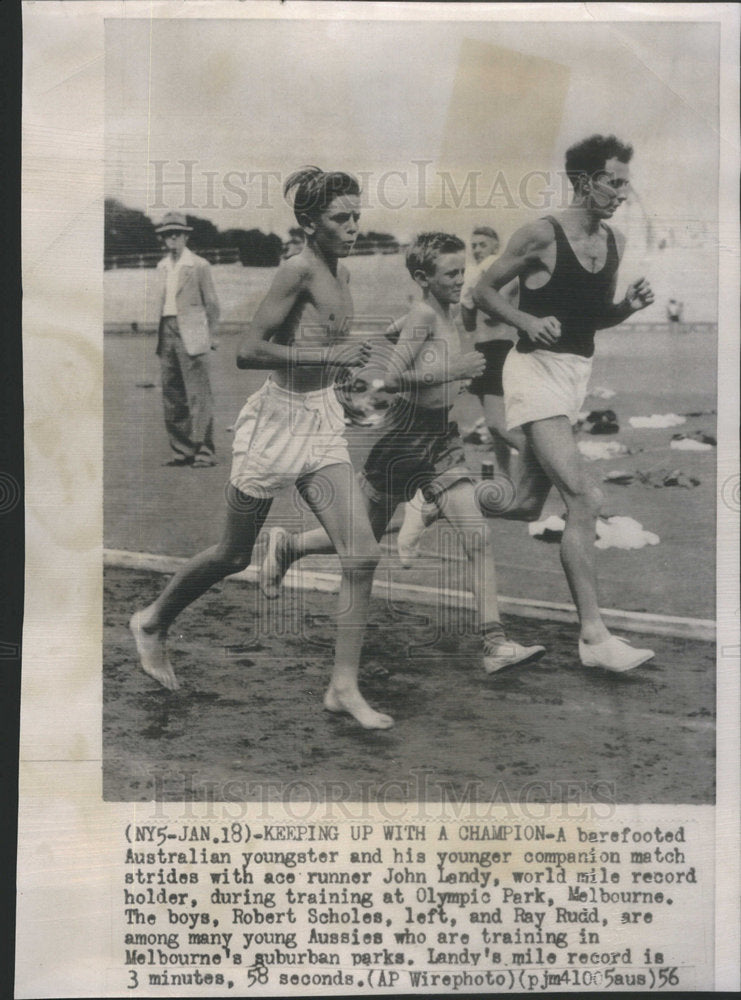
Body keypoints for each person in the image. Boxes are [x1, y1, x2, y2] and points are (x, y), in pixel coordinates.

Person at [132, 167, 394, 730]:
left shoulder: (339, 272)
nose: (352, 227)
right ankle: (152, 621)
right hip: (274, 428)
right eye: (340, 218)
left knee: (363, 553)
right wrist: (330, 362)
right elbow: (248, 351)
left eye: (356, 216)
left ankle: (342, 687)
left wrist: (344, 385)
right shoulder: (295, 270)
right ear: (308, 222)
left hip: (321, 424)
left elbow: (321, 347)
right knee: (232, 555)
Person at [259, 232, 545, 677]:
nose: (460, 279)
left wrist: (394, 340)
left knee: (477, 537)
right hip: (402, 442)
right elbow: (389, 380)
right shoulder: (424, 314)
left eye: (462, 270)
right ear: (422, 278)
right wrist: (454, 369)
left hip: (442, 442)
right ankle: (290, 546)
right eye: (450, 273)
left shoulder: (443, 315)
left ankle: (495, 644)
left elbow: (396, 344)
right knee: (362, 537)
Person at [472, 134, 656, 672]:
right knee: (585, 497)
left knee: (527, 504)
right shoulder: (541, 234)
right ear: (583, 181)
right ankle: (594, 638)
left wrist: (626, 308)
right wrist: (525, 320)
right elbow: (484, 289)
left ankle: (435, 501)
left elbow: (590, 320)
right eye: (613, 181)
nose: (623, 192)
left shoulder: (614, 243)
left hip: (575, 377)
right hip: (532, 373)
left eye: (626, 181)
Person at [396, 224, 526, 565]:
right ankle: (506, 487)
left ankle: (512, 487)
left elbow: (479, 310)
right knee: (497, 433)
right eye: (475, 244)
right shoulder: (470, 283)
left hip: (497, 350)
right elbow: (466, 319)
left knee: (498, 427)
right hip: (481, 354)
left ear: (497, 246)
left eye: (484, 244)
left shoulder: (496, 274)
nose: (479, 249)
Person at [154, 211, 221, 467]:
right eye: (167, 234)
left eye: (176, 233)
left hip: (192, 334)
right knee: (172, 395)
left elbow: (212, 304)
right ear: (163, 238)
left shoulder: (199, 265)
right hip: (166, 331)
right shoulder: (161, 266)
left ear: (185, 236)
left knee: (198, 395)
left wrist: (211, 336)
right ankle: (182, 450)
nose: (172, 238)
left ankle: (205, 451)